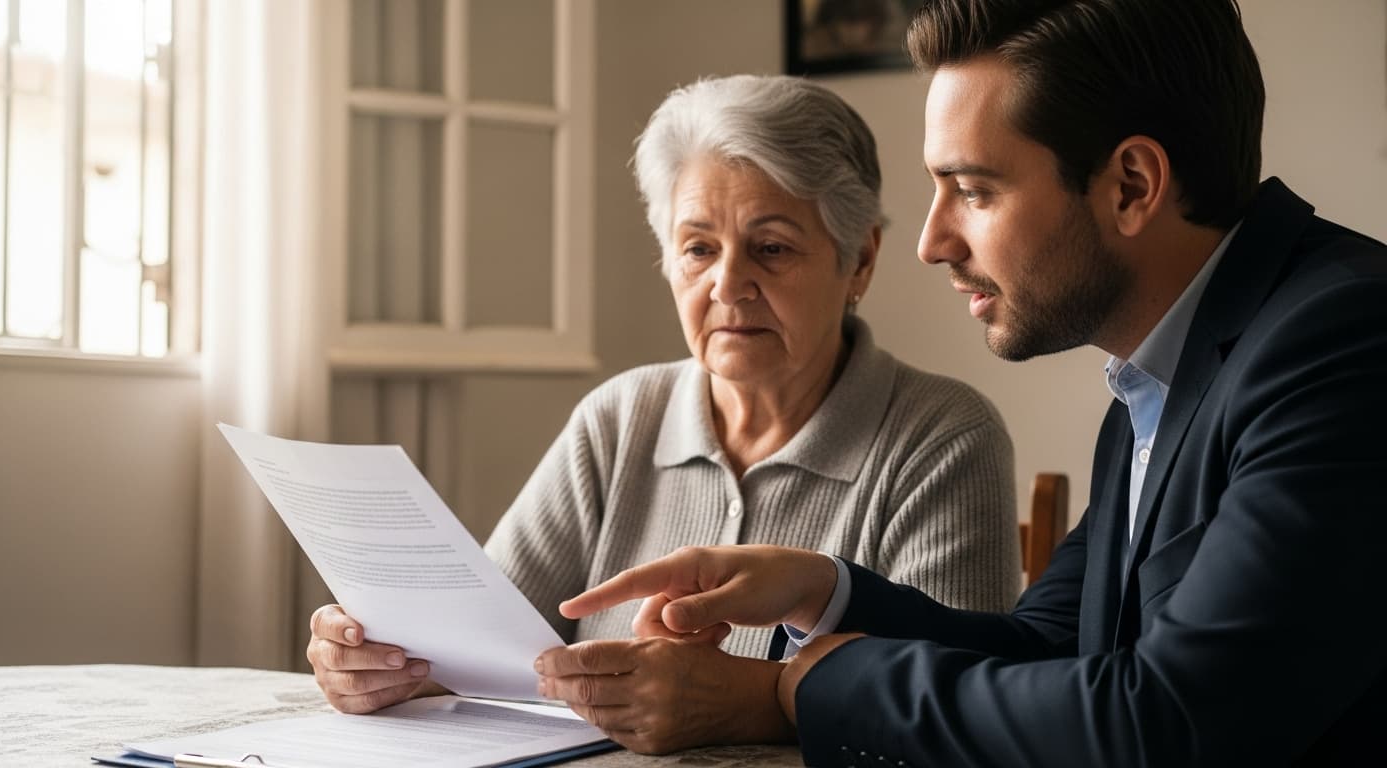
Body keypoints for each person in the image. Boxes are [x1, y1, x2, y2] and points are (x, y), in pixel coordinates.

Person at [537, 1, 1387, 764]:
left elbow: (1171, 721)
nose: (932, 241)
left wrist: (788, 692)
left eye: (972, 190)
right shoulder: (1166, 371)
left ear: (1132, 185)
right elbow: (1052, 646)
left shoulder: (1343, 340)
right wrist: (822, 588)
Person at [307, 74, 1021, 727]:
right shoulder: (620, 418)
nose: (727, 286)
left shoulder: (943, 436)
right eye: (698, 248)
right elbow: (474, 646)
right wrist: (385, 664)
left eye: (771, 249)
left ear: (858, 258)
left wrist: (736, 700)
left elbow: (955, 712)